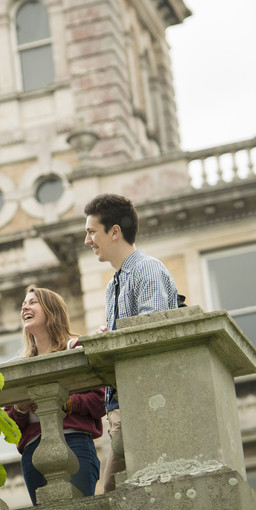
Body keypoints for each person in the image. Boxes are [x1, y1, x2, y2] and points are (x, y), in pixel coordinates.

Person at [84, 193, 178, 493]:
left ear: (114, 231)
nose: (88, 241)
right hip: (122, 405)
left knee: (115, 494)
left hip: (142, 403)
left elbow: (151, 336)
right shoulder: (114, 284)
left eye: (91, 232)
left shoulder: (147, 269)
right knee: (117, 495)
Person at [5, 285, 105, 505]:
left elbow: (99, 402)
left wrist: (66, 402)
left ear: (51, 310)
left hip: (75, 444)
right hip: (32, 453)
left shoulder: (75, 348)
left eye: (32, 302)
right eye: (23, 304)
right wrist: (21, 407)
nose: (25, 308)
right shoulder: (20, 365)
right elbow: (9, 427)